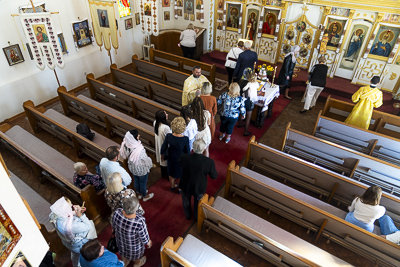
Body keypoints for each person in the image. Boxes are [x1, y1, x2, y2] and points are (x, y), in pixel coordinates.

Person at [49, 197, 96, 267]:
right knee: (84, 256)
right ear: (65, 210)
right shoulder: (71, 226)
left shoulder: (55, 215)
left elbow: (66, 215)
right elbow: (88, 226)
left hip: (68, 243)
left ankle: (75, 265)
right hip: (78, 245)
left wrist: (76, 212)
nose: (71, 206)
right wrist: (81, 215)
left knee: (75, 254)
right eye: (69, 206)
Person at [179, 140, 218, 220]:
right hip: (199, 186)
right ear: (204, 149)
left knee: (186, 200)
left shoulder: (184, 157)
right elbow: (214, 176)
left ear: (193, 148)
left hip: (186, 184)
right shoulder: (209, 162)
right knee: (198, 202)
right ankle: (197, 217)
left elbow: (179, 165)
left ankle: (188, 215)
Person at [112, 197, 152, 267]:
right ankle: (137, 263)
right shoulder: (139, 221)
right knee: (136, 257)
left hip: (120, 242)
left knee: (123, 253)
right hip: (134, 249)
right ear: (136, 209)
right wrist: (149, 243)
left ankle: (125, 261)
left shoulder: (117, 212)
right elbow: (145, 238)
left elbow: (113, 226)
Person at [119, 130, 154, 202]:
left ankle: (139, 194)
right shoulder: (139, 148)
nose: (139, 135)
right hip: (141, 169)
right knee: (143, 182)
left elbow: (125, 155)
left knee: (136, 180)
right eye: (138, 135)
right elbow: (145, 159)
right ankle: (145, 195)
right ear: (134, 137)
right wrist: (150, 164)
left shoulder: (125, 145)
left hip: (132, 167)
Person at [161, 117, 190, 192]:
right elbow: (187, 151)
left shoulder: (169, 136)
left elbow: (163, 147)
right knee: (181, 174)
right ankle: (180, 188)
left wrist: (162, 155)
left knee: (171, 173)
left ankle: (172, 185)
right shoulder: (185, 139)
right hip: (181, 159)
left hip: (171, 158)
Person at [237, 71, 259, 136]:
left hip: (243, 99)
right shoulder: (254, 83)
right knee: (248, 115)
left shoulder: (243, 81)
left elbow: (243, 90)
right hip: (249, 100)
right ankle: (246, 131)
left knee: (242, 111)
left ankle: (240, 123)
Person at [154, 110, 171, 179]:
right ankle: (167, 176)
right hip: (164, 145)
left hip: (159, 143)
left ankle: (163, 174)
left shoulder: (155, 122)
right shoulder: (165, 127)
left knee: (162, 162)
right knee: (165, 161)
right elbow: (169, 137)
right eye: (165, 114)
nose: (167, 114)